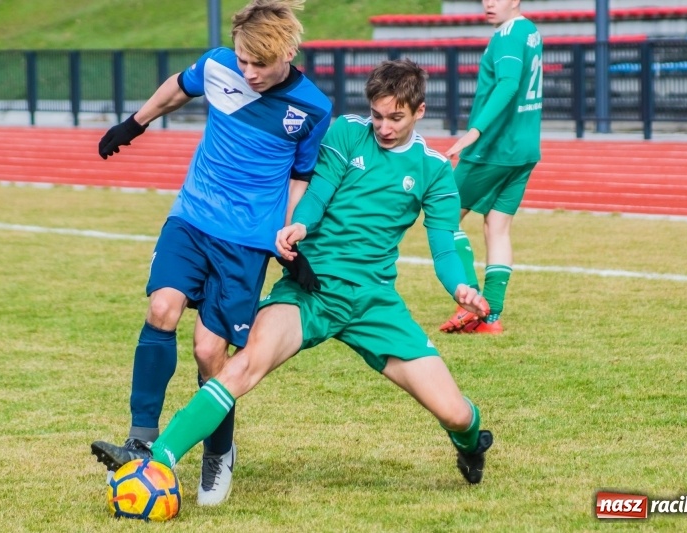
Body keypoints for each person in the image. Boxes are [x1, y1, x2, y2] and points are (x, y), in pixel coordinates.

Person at [91, 59, 495, 487]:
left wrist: (462, 286)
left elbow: (445, 243)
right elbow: (318, 191)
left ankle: (471, 444)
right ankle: (157, 460)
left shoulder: (433, 170)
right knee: (243, 365)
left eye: (396, 117)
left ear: (419, 112)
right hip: (310, 292)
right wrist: (299, 224)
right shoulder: (345, 133)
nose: (384, 127)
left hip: (372, 302)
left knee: (454, 412)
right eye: (377, 115)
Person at [91, 0, 332, 506]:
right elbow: (179, 87)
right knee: (161, 308)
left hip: (246, 240)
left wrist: (289, 237)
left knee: (209, 351)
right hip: (192, 215)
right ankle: (140, 440)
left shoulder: (312, 107)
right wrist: (133, 124)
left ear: (287, 52)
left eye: (259, 65)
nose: (247, 72)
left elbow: (301, 175)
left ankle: (218, 450)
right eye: (242, 61)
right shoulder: (219, 64)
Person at [439, 0, 543, 335]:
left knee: (445, 214)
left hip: (493, 148)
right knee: (497, 227)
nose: (489, 2)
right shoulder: (530, 31)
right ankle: (491, 319)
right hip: (524, 148)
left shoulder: (509, 34)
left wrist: (473, 133)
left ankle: (470, 303)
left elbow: (509, 84)